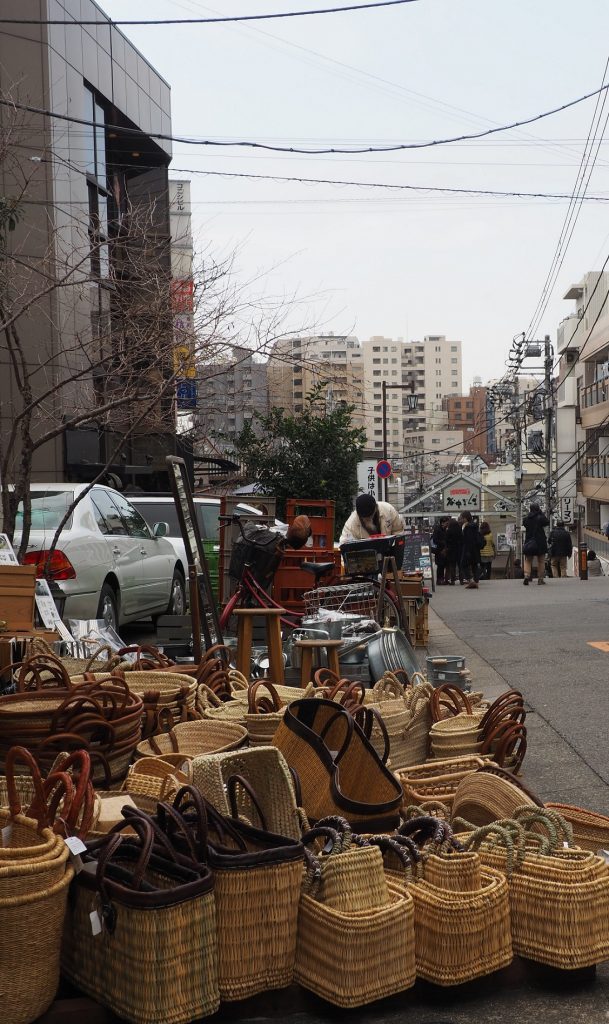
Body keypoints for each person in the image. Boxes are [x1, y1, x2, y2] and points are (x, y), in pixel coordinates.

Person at [339, 493, 403, 544]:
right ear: (358, 514)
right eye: (364, 517)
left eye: (369, 516)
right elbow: (344, 543)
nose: (367, 519)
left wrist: (395, 548)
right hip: (366, 556)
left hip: (390, 551)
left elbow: (398, 532)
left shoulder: (388, 510)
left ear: (375, 508)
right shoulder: (351, 523)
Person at [522, 502, 549, 586]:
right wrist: (541, 513)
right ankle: (540, 579)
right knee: (541, 561)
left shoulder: (526, 519)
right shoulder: (540, 518)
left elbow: (525, 525)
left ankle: (526, 576)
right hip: (540, 542)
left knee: (528, 560)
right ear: (538, 509)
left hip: (530, 542)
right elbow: (547, 522)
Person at [459, 511, 482, 589]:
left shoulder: (468, 527)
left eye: (461, 518)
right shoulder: (474, 526)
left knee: (463, 564)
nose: (461, 520)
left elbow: (468, 540)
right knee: (474, 564)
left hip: (468, 549)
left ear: (465, 518)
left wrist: (467, 551)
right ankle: (475, 581)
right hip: (475, 549)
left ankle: (471, 581)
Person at [444, 517, 463, 585]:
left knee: (452, 566)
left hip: (451, 551)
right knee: (460, 566)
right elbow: (462, 540)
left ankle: (452, 581)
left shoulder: (448, 531)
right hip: (459, 550)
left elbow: (446, 541)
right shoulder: (459, 530)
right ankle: (461, 580)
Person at [431, 517, 449, 585]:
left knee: (443, 565)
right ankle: (439, 580)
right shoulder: (438, 529)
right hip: (439, 550)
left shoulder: (445, 529)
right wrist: (443, 542)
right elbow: (435, 540)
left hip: (444, 550)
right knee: (440, 565)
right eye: (447, 523)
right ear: (443, 523)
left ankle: (442, 579)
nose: (447, 524)